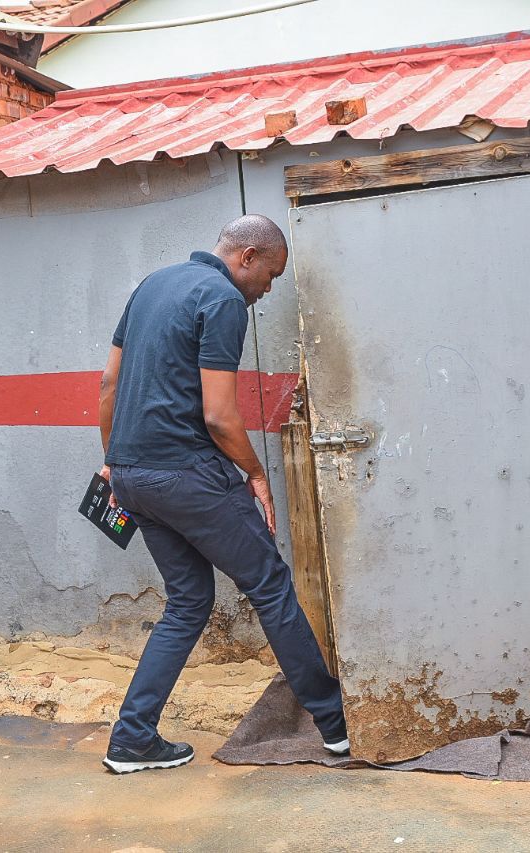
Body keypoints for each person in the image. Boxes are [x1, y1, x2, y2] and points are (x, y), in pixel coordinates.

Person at [97, 215, 348, 774]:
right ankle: (335, 726)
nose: (268, 288)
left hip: (136, 477)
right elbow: (218, 415)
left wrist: (114, 460)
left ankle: (132, 739)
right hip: (189, 476)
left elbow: (109, 384)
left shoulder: (150, 286)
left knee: (188, 602)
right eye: (271, 274)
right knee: (269, 583)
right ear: (248, 256)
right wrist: (255, 474)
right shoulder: (223, 298)